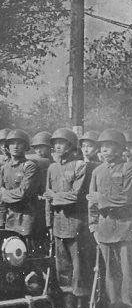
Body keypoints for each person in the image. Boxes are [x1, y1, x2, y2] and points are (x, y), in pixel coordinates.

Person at [44, 128, 90, 308]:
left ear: (70, 146)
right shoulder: (52, 168)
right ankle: (67, 301)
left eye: (61, 143)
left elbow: (74, 196)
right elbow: (47, 197)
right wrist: (49, 223)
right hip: (58, 223)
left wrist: (54, 197)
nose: (56, 146)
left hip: (75, 223)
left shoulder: (80, 166)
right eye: (54, 143)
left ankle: (80, 302)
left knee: (78, 267)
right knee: (62, 266)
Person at [88, 129, 132, 308]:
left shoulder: (128, 168)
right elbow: (91, 202)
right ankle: (114, 304)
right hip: (104, 229)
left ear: (120, 148)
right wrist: (93, 226)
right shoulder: (97, 171)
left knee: (127, 271)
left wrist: (102, 199)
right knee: (110, 273)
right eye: (103, 147)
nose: (106, 150)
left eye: (110, 146)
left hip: (126, 228)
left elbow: (127, 198)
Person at [0, 129, 39, 249]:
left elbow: (23, 193)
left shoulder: (30, 166)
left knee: (25, 253)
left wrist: (5, 194)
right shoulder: (4, 168)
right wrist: (1, 221)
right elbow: (1, 200)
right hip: (9, 220)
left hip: (25, 219)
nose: (15, 146)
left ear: (25, 146)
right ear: (7, 147)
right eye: (12, 143)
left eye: (19, 143)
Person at [30, 131, 54, 254]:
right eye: (36, 148)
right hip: (39, 206)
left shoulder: (54, 164)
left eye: (42, 147)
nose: (39, 151)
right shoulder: (34, 165)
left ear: (50, 147)